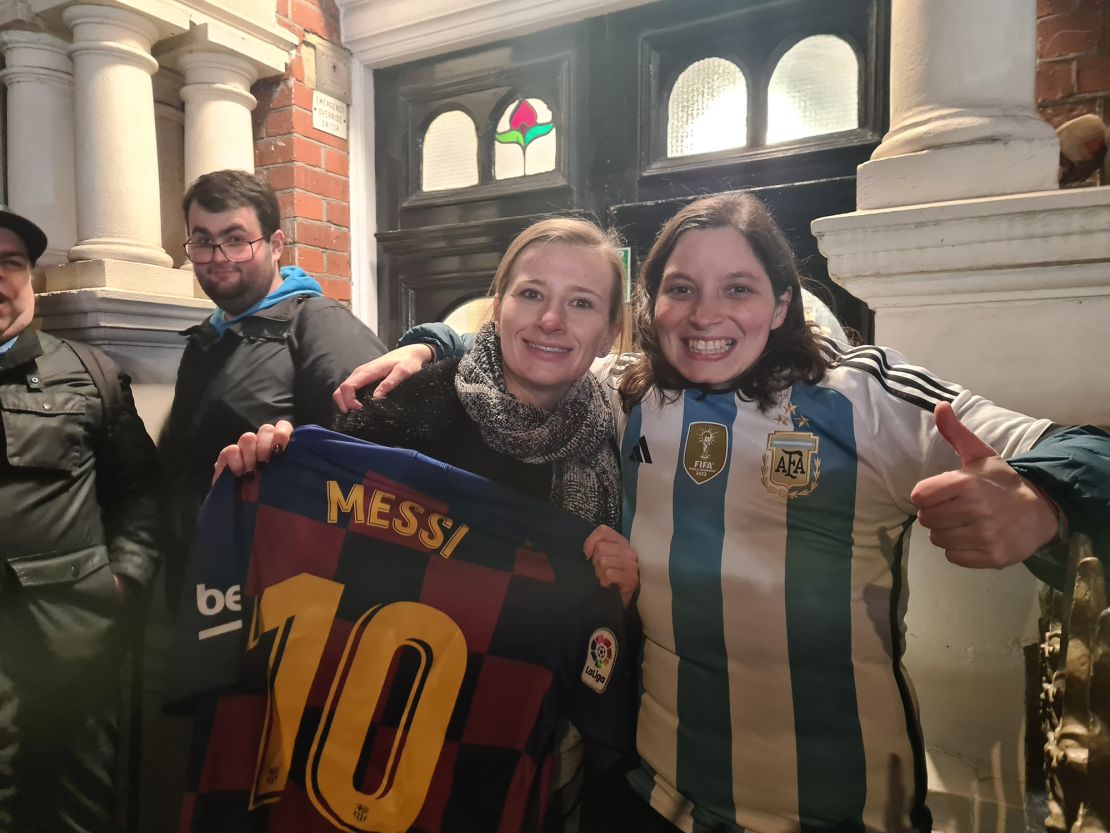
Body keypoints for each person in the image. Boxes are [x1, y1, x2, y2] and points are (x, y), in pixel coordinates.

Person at [336, 191, 1110, 833]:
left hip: (838, 813)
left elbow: (1088, 449)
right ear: (650, 305)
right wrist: (425, 346)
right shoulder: (626, 389)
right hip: (649, 800)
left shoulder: (863, 396)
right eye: (681, 288)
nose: (706, 315)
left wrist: (1042, 496)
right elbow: (530, 339)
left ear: (780, 303)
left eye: (737, 288)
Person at [208, 217, 640, 831]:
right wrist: (272, 464)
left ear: (609, 332)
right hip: (386, 746)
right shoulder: (412, 402)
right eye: (531, 293)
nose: (551, 320)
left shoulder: (622, 430)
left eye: (581, 303)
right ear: (498, 307)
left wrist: (619, 588)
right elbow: (324, 516)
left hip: (536, 745)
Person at [0, 208, 160, 832]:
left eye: (10, 263)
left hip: (76, 641)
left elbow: (140, 494)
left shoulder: (91, 376)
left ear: (31, 279)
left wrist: (124, 579)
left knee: (78, 806)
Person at [159, 169, 387, 606]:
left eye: (236, 239)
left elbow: (373, 455)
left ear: (276, 244)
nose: (217, 255)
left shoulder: (317, 324)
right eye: (202, 240)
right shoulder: (208, 339)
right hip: (211, 579)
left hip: (290, 588)